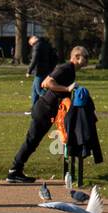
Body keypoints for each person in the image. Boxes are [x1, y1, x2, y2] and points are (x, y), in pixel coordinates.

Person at [7, 45, 90, 183]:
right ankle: (14, 171)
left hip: (49, 111)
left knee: (33, 142)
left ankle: (16, 170)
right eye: (85, 57)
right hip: (44, 109)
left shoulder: (71, 70)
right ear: (76, 57)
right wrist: (67, 88)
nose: (87, 60)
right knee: (31, 140)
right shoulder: (65, 68)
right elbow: (46, 83)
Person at [26, 33, 57, 107]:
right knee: (34, 90)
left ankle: (53, 103)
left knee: (39, 90)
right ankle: (34, 108)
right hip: (46, 69)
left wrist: (29, 71)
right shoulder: (45, 44)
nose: (31, 44)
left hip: (39, 70)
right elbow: (53, 57)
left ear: (33, 39)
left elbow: (34, 59)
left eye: (30, 43)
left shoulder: (37, 46)